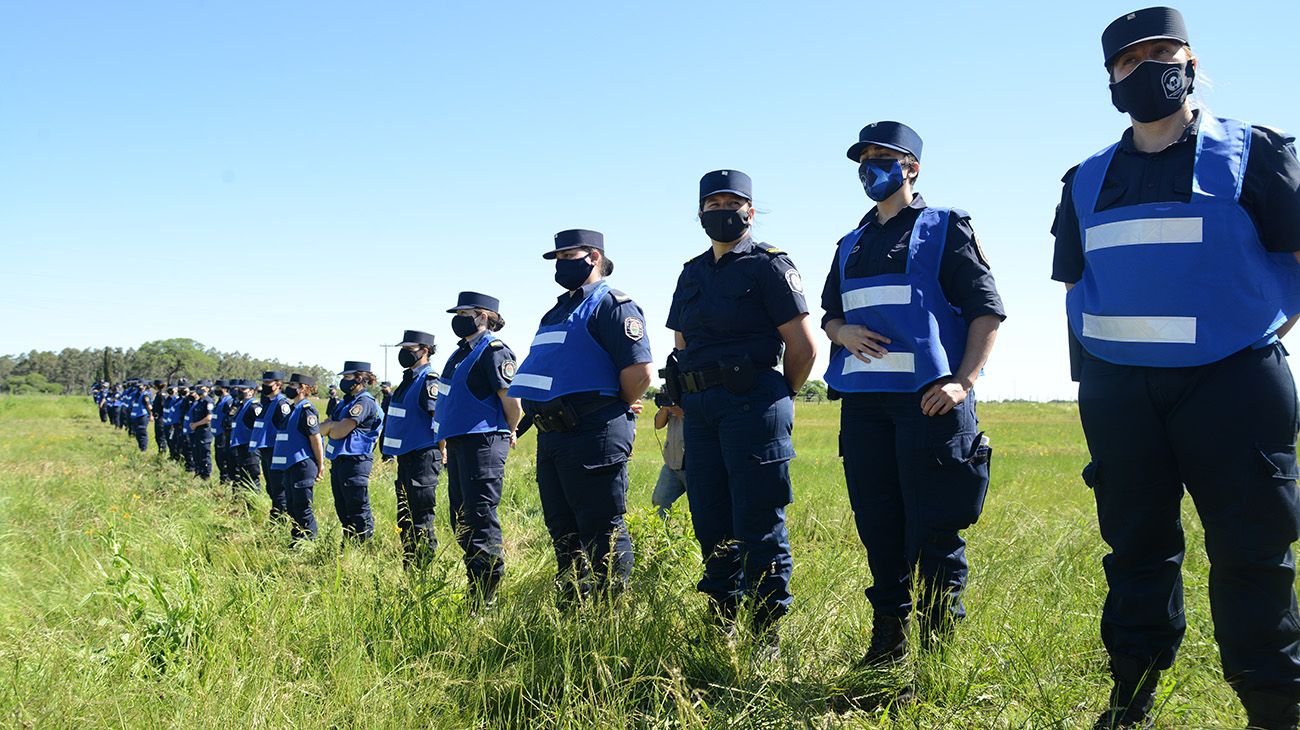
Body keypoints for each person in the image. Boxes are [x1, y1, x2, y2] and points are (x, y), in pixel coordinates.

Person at [1052, 8, 1300, 729]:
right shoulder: (1084, 179)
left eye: (1162, 52)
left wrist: (1251, 336)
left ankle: (1274, 708)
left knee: (1252, 551)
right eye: (1130, 61)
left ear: (1191, 63)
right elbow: (1077, 284)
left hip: (1234, 384)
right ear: (1111, 79)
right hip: (1120, 392)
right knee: (1136, 548)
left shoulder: (1256, 153)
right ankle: (1129, 698)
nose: (1148, 68)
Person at [820, 122, 1004, 667]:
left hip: (930, 406)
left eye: (884, 156)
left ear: (912, 167)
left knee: (933, 532)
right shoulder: (850, 243)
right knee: (879, 530)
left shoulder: (945, 227)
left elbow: (987, 311)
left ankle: (934, 662)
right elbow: (830, 315)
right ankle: (887, 649)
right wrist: (841, 332)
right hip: (864, 409)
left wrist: (962, 381)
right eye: (864, 159)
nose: (871, 167)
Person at [664, 171, 816, 652]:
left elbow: (803, 347)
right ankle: (721, 619)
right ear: (700, 213)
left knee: (756, 518)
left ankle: (765, 630)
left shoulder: (769, 265)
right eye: (713, 204)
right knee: (709, 516)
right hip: (701, 407)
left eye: (732, 203)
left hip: (753, 401)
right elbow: (682, 342)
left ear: (750, 211)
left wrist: (778, 396)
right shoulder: (691, 272)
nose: (722, 211)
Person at [508, 229, 653, 602]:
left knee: (601, 528)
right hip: (552, 436)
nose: (560, 264)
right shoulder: (556, 311)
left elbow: (640, 373)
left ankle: (609, 614)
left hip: (593, 430)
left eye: (567, 256)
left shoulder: (613, 305)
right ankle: (574, 608)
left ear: (593, 257)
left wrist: (612, 407)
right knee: (563, 529)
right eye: (557, 258)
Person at [436, 291, 522, 607]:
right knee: (460, 517)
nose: (459, 320)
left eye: (464, 314)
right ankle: (476, 585)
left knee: (480, 517)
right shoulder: (459, 355)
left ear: (483, 316)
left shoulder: (494, 351)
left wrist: (510, 431)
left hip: (484, 442)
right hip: (460, 442)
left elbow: (511, 401)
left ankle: (486, 597)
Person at [380, 331, 443, 567]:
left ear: (425, 350)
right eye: (403, 349)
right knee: (405, 515)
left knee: (421, 516)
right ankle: (409, 564)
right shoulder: (409, 379)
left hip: (424, 456)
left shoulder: (429, 380)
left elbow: (438, 419)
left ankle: (423, 567)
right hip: (407, 456)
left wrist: (443, 450)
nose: (404, 354)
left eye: (409, 349)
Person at [320, 361, 383, 543]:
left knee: (357, 507)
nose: (343, 381)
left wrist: (332, 427)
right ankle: (349, 544)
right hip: (340, 459)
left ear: (359, 378)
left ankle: (363, 545)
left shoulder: (364, 402)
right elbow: (323, 427)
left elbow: (339, 431)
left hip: (356, 460)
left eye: (347, 377)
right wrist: (332, 426)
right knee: (342, 506)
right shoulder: (345, 402)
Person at [271, 373, 325, 541]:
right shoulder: (293, 409)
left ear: (302, 388)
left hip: (303, 464)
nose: (289, 388)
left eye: (293, 385)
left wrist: (321, 464)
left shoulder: (306, 410)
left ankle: (309, 542)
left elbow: (315, 439)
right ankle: (297, 541)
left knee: (302, 507)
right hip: (290, 465)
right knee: (292, 506)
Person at [250, 371, 290, 519]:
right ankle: (277, 513)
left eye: (268, 383)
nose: (264, 386)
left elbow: (286, 430)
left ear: (278, 384)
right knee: (271, 487)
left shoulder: (281, 404)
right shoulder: (268, 402)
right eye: (264, 383)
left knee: (278, 487)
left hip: (276, 452)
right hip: (266, 450)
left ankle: (281, 518)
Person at [650, 394, 686, 518]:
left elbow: (692, 416)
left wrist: (674, 407)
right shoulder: (672, 398)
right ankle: (662, 529)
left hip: (692, 463)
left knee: (700, 505)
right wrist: (666, 407)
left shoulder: (694, 394)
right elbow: (658, 425)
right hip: (672, 463)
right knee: (659, 501)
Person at [226, 380, 264, 494]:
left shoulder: (254, 407)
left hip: (250, 449)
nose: (239, 391)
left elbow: (259, 429)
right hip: (241, 447)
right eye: (239, 389)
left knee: (251, 479)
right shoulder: (241, 406)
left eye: (243, 389)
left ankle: (253, 501)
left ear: (251, 391)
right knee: (242, 478)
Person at [186, 381, 215, 480]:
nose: (199, 389)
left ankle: (206, 476)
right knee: (196, 453)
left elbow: (209, 417)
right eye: (198, 387)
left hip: (204, 432)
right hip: (197, 432)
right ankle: (198, 472)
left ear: (207, 388)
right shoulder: (199, 401)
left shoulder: (208, 401)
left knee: (204, 454)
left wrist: (196, 424)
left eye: (201, 387)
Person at [210, 380, 234, 484]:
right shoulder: (220, 400)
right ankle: (223, 477)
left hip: (223, 434)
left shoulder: (228, 401)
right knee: (218, 457)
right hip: (218, 434)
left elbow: (229, 418)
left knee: (223, 457)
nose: (216, 390)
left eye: (218, 388)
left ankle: (226, 479)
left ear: (224, 389)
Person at [126, 379, 152, 452]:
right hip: (135, 416)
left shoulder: (145, 395)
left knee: (142, 432)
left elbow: (148, 405)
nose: (139, 387)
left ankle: (143, 448)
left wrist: (151, 415)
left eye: (141, 386)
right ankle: (140, 447)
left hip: (142, 415)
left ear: (145, 386)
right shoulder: (135, 393)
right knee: (137, 433)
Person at [378, 381, 394, 463]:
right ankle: (385, 458)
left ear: (389, 387)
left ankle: (389, 458)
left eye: (384, 387)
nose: (382, 389)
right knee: (382, 440)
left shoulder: (391, 397)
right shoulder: (385, 397)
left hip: (390, 422)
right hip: (385, 421)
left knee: (386, 440)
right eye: (382, 387)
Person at [151, 379, 167, 455]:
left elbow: (163, 406)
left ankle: (162, 451)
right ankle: (160, 451)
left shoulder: (161, 395)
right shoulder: (158, 394)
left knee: (161, 436)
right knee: (158, 436)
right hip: (158, 418)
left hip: (161, 418)